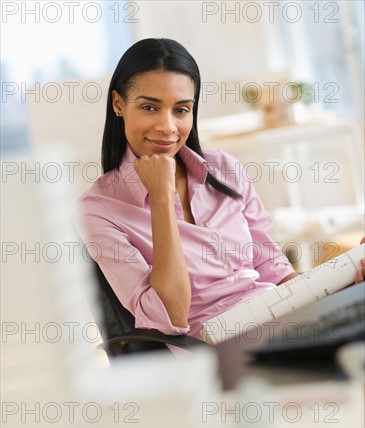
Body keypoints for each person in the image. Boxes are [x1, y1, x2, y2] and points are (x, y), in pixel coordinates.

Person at [76, 38, 365, 342]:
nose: (167, 126)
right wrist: (160, 196)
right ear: (118, 104)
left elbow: (273, 269)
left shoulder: (224, 169)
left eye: (181, 109)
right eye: (149, 107)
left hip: (280, 322)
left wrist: (336, 287)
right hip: (215, 347)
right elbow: (171, 316)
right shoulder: (99, 208)